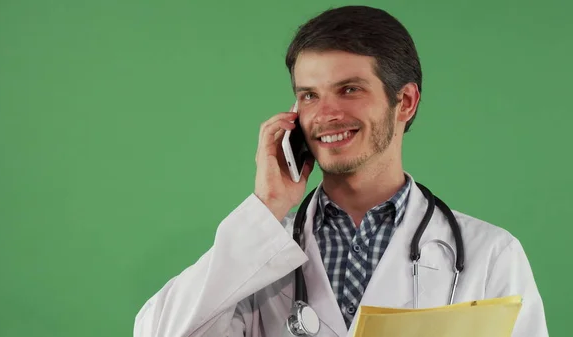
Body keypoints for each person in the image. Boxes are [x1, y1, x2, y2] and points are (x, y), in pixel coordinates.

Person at [133, 6, 548, 337]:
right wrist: (266, 209)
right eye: (309, 95)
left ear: (404, 102)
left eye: (350, 89)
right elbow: (158, 332)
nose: (326, 115)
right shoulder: (257, 254)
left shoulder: (490, 256)